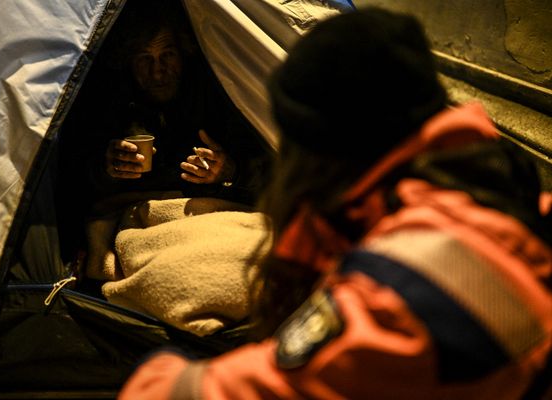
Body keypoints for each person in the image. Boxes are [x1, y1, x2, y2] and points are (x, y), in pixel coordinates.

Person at [117, 7, 552, 400]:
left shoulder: (408, 290)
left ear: (321, 152)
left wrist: (158, 367)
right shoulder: (501, 189)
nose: (158, 71)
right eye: (144, 59)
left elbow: (233, 389)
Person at [57, 0, 273, 258]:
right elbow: (72, 181)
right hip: (136, 226)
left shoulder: (219, 97)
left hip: (208, 224)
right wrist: (108, 170)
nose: (158, 72)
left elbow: (272, 175)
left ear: (183, 53)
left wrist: (230, 171)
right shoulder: (108, 102)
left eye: (167, 55)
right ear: (128, 62)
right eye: (144, 58)